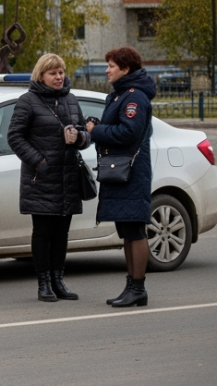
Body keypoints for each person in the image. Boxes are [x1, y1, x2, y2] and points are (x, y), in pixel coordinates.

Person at [6, 53, 89, 302]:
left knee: (61, 233)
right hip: (41, 179)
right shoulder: (28, 101)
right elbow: (14, 137)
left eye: (61, 72)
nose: (58, 77)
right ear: (41, 75)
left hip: (67, 177)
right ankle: (43, 284)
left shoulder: (71, 100)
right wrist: (39, 161)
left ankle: (58, 280)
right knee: (42, 232)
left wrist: (81, 138)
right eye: (53, 73)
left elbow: (85, 132)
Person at [86, 46, 155, 308]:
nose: (107, 70)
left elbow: (128, 133)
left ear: (125, 69)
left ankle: (138, 288)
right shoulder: (118, 96)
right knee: (126, 229)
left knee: (135, 230)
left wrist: (97, 130)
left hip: (132, 173)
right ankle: (131, 286)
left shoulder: (135, 97)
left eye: (111, 66)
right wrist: (98, 127)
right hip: (120, 172)